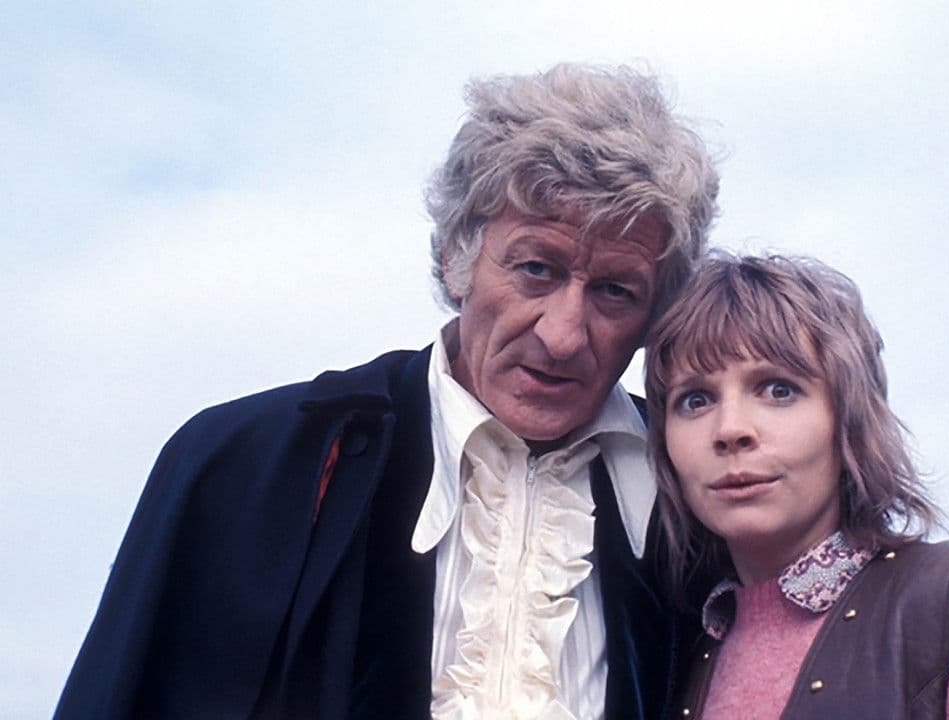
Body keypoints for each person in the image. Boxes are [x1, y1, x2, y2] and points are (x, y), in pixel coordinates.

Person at [55, 63, 719, 720]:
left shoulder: (705, 501)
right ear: (457, 258)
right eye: (536, 269)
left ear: (655, 316)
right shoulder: (246, 466)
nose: (564, 335)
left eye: (615, 291)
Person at [644, 253, 949, 719]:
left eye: (779, 390)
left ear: (851, 420)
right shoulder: (680, 652)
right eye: (695, 400)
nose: (730, 429)